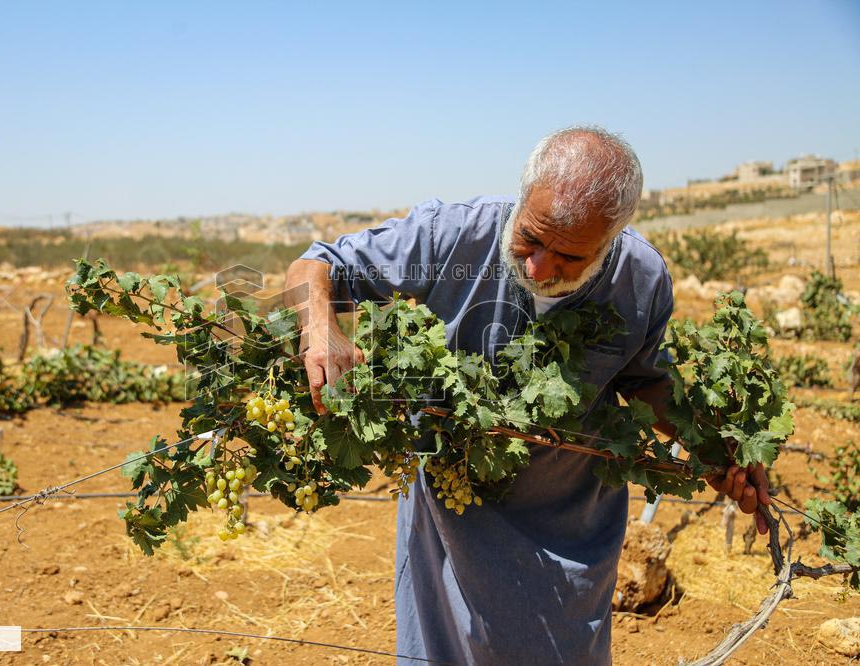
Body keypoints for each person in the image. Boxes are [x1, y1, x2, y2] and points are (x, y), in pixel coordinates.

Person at [283, 126, 769, 665]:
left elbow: (647, 381)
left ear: (610, 242)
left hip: (569, 526)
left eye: (569, 257)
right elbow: (315, 264)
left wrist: (714, 449)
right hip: (450, 510)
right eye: (531, 239)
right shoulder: (452, 238)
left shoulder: (641, 279)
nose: (539, 268)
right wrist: (321, 328)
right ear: (522, 197)